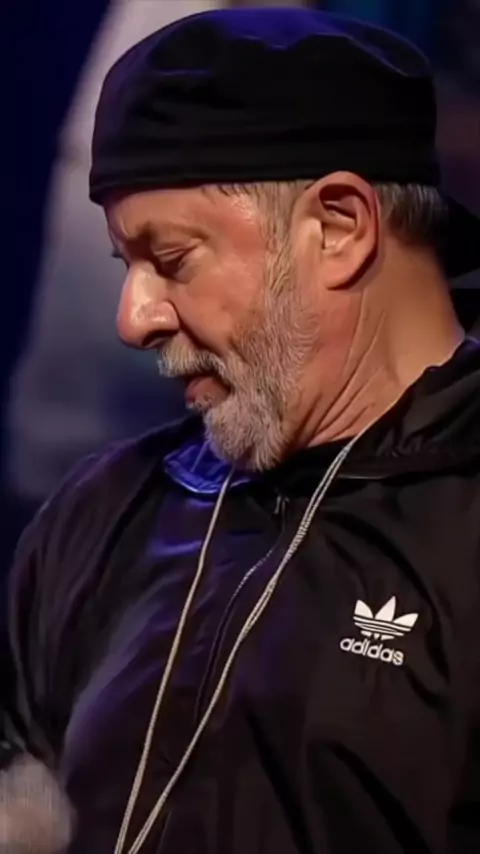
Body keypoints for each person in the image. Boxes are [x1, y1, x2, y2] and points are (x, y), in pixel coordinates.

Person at [3, 6, 480, 853]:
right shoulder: (99, 515)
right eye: (126, 264)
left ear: (340, 227)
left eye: (172, 260)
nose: (134, 319)